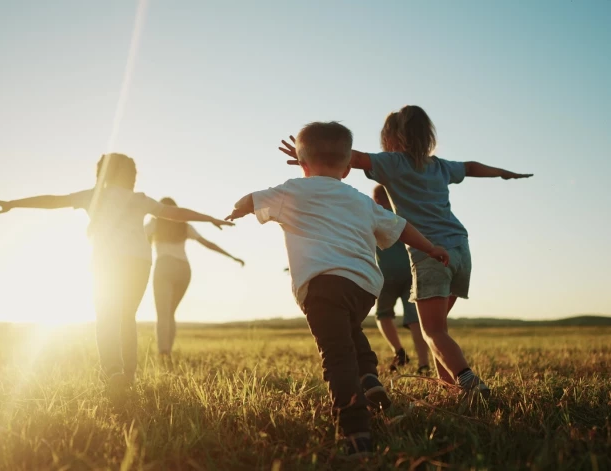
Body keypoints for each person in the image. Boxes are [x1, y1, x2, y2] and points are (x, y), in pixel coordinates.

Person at [227, 122, 449, 457]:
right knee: (348, 331)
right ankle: (370, 377)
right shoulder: (360, 200)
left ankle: (355, 429)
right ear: (347, 168)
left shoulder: (291, 190)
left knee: (336, 355)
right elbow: (401, 227)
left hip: (321, 285)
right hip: (363, 288)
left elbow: (251, 199)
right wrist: (431, 248)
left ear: (302, 164)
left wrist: (236, 211)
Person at [281, 106, 532, 400]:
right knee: (440, 327)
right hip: (460, 249)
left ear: (390, 137)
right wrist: (503, 173)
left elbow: (350, 157)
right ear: (427, 136)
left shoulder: (392, 163)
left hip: (430, 253)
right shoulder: (438, 166)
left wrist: (307, 155)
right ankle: (448, 387)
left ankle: (468, 381)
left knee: (432, 332)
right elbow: (472, 166)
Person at [0, 153, 233, 391]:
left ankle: (114, 371)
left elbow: (54, 200)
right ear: (124, 174)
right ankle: (127, 375)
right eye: (132, 172)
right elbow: (175, 214)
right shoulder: (139, 199)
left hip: (109, 261)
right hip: (139, 262)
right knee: (126, 317)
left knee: (107, 315)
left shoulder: (95, 196)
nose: (135, 176)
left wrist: (12, 204)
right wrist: (209, 218)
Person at [145, 197, 244, 359]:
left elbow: (139, 241)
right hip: (183, 269)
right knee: (170, 313)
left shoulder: (154, 224)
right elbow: (208, 243)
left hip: (164, 266)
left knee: (163, 314)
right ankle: (167, 352)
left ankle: (164, 352)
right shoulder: (185, 226)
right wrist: (232, 257)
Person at [372, 184, 430, 375]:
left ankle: (400, 352)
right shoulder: (405, 213)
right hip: (409, 273)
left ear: (378, 199)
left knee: (383, 315)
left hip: (387, 275)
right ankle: (423, 363)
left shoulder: (375, 217)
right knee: (415, 319)